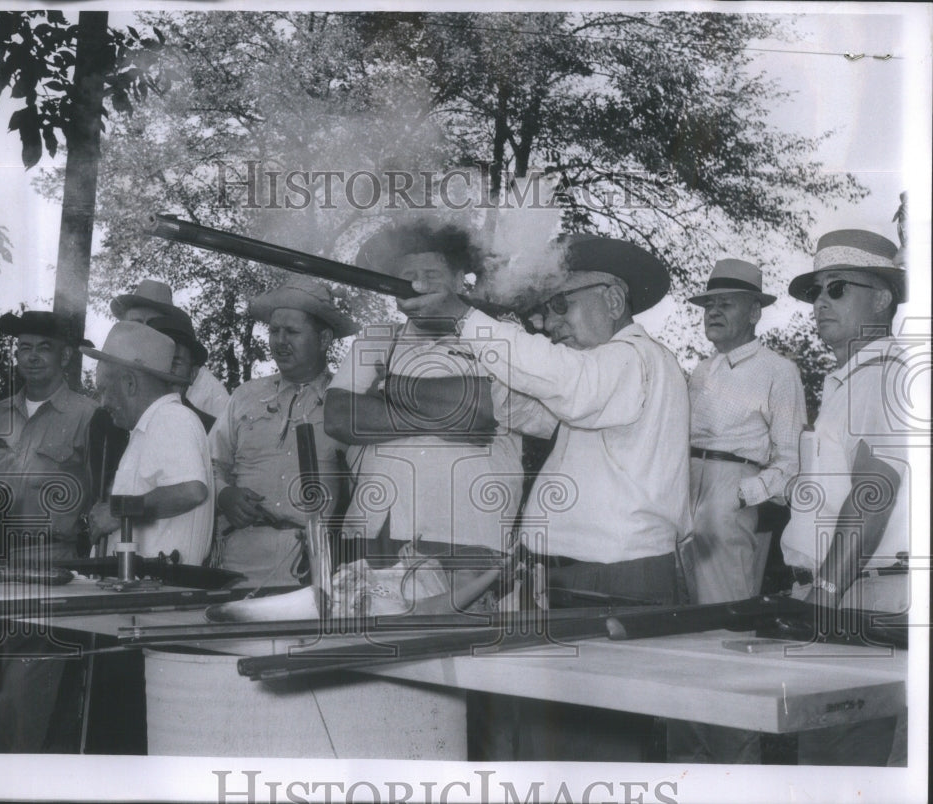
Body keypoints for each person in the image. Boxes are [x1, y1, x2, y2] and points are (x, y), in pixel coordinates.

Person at [401, 232, 691, 761]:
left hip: (612, 581)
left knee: (596, 753)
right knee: (557, 748)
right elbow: (529, 409)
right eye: (544, 312)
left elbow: (568, 387)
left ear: (612, 299)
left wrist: (468, 318)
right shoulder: (607, 374)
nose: (550, 323)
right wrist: (479, 334)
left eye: (561, 305)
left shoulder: (633, 358)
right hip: (580, 580)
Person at [325, 222, 528, 578]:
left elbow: (478, 408)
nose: (419, 284)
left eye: (432, 273)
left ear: (457, 280)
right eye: (409, 275)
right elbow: (339, 417)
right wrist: (446, 417)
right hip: (378, 529)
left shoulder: (499, 336)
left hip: (469, 531)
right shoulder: (377, 339)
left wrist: (384, 393)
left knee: (463, 631)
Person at [667, 259, 807, 764]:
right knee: (680, 631)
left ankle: (737, 770)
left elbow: (792, 459)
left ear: (755, 312)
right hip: (684, 489)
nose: (714, 312)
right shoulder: (699, 371)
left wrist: (741, 497)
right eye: (708, 304)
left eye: (726, 303)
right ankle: (689, 771)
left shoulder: (778, 371)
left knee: (725, 636)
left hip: (734, 492)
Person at [782, 229, 911, 766]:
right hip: (838, 593)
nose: (819, 304)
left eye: (837, 289)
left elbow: (874, 492)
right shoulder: (850, 380)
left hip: (855, 597)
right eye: (816, 292)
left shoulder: (883, 375)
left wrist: (826, 593)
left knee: (842, 765)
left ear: (881, 297)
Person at [0, 310, 98, 753]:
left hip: (50, 569)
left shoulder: (89, 417)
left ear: (66, 356)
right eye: (23, 348)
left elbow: (103, 499)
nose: (31, 357)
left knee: (23, 699)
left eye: (43, 348)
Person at [209, 278, 358, 587]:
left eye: (292, 332)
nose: (279, 341)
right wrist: (224, 494)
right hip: (237, 562)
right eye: (274, 331)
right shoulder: (244, 396)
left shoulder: (345, 402)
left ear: (324, 338)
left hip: (310, 566)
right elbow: (210, 463)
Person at [82, 321, 214, 565]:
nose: (102, 403)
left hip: (160, 587)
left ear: (130, 383)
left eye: (104, 390)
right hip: (145, 585)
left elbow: (190, 491)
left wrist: (117, 512)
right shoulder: (152, 425)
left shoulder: (171, 418)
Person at [111, 278, 230, 420]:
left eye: (154, 324)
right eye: (135, 323)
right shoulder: (120, 371)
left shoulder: (206, 387)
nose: (144, 331)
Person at [146, 313, 217, 432]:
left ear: (193, 374)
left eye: (175, 363)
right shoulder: (126, 422)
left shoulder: (210, 431)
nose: (165, 370)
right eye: (158, 359)